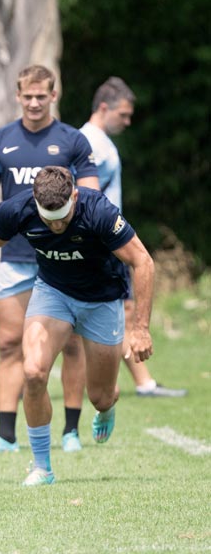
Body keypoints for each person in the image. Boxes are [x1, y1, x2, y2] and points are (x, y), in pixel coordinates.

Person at [0, 165, 155, 485]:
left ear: (74, 196)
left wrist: (141, 328)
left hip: (102, 300)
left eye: (63, 216)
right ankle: (42, 468)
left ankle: (106, 407)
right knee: (33, 371)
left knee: (101, 396)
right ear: (35, 203)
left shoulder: (98, 211)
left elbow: (142, 261)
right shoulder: (18, 210)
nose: (57, 224)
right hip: (53, 294)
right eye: (49, 219)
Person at [0, 65, 100, 455]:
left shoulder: (73, 141)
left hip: (63, 257)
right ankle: (6, 434)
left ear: (54, 95)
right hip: (17, 258)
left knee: (71, 344)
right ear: (18, 96)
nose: (35, 102)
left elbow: (91, 197)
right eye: (28, 96)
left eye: (42, 96)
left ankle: (70, 430)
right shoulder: (0, 140)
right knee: (9, 344)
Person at [80, 77, 185, 398]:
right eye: (123, 115)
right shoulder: (92, 144)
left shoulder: (95, 141)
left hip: (109, 242)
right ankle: (121, 384)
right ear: (103, 108)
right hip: (105, 243)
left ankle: (143, 382)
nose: (127, 121)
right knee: (108, 313)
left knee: (120, 311)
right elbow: (87, 198)